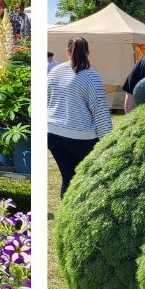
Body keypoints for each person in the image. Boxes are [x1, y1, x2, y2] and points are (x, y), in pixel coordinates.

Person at [47, 37, 112, 198]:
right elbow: (101, 113)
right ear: (88, 53)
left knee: (68, 177)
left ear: (67, 52)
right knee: (89, 178)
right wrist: (109, 142)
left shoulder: (55, 71)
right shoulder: (91, 77)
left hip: (53, 133)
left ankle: (66, 216)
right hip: (81, 136)